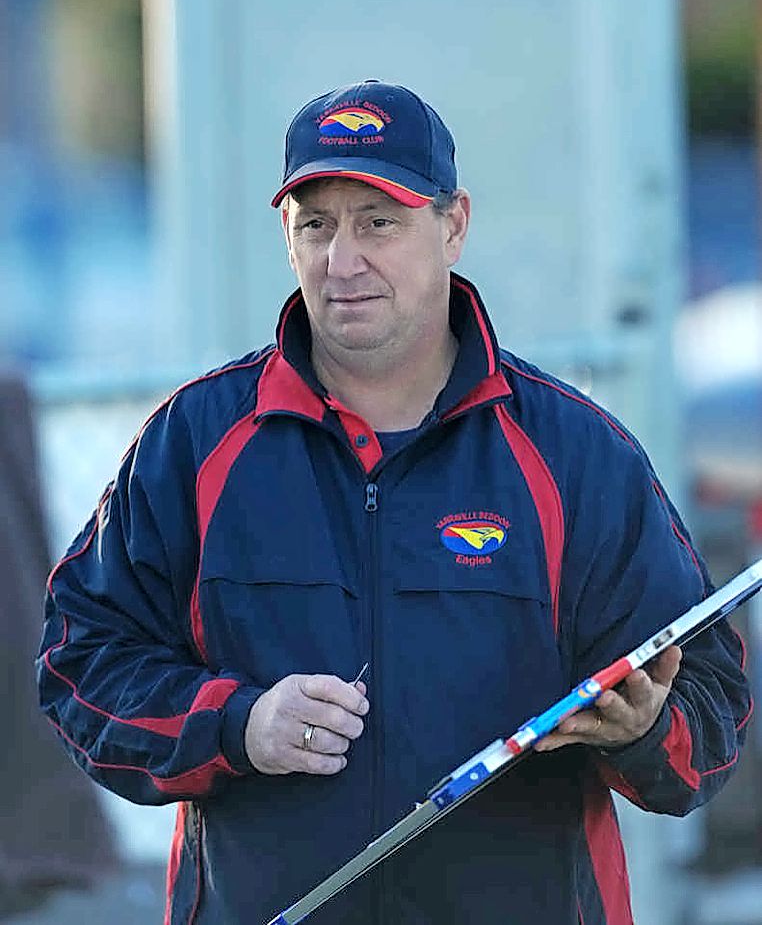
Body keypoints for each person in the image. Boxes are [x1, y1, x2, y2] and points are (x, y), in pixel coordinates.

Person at [37, 80, 751, 925]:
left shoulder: (576, 455)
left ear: (453, 226)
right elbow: (79, 665)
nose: (343, 261)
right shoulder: (194, 441)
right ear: (287, 239)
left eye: (379, 220)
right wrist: (239, 723)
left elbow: (712, 718)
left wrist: (642, 726)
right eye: (317, 225)